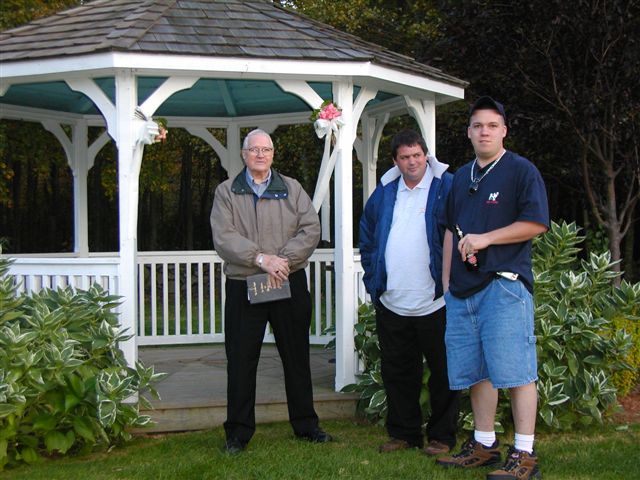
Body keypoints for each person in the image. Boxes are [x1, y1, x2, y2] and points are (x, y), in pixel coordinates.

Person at [436, 97, 549, 479]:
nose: (484, 131)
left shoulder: (520, 171)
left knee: (516, 371)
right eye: (478, 125)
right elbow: (450, 230)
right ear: (469, 132)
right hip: (463, 291)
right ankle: (484, 444)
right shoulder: (461, 177)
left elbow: (536, 222)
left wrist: (486, 239)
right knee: (477, 371)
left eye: (492, 125)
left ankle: (525, 454)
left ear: (504, 131)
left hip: (504, 286)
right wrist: (447, 280)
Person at [210, 129, 332, 454]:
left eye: (266, 149)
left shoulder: (292, 188)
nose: (260, 155)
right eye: (254, 149)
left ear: (273, 154)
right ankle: (237, 434)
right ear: (244, 154)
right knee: (240, 361)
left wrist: (283, 261)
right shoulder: (226, 192)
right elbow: (223, 237)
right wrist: (261, 259)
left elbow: (311, 228)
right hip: (244, 285)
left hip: (287, 281)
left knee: (296, 357)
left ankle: (306, 426)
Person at [359, 129, 460, 456]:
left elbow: (461, 231)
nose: (412, 162)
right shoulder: (385, 192)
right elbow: (368, 237)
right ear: (395, 161)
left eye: (417, 155)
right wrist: (374, 278)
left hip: (436, 302)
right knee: (398, 372)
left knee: (444, 373)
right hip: (393, 302)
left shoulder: (447, 187)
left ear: (426, 155)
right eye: (405, 157)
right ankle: (404, 434)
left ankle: (442, 436)